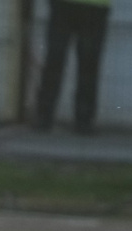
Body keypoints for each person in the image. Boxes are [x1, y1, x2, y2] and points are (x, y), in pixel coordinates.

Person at [33, 0, 111, 135]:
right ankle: (84, 121)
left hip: (66, 5)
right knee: (88, 65)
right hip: (94, 7)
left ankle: (44, 117)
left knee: (55, 60)